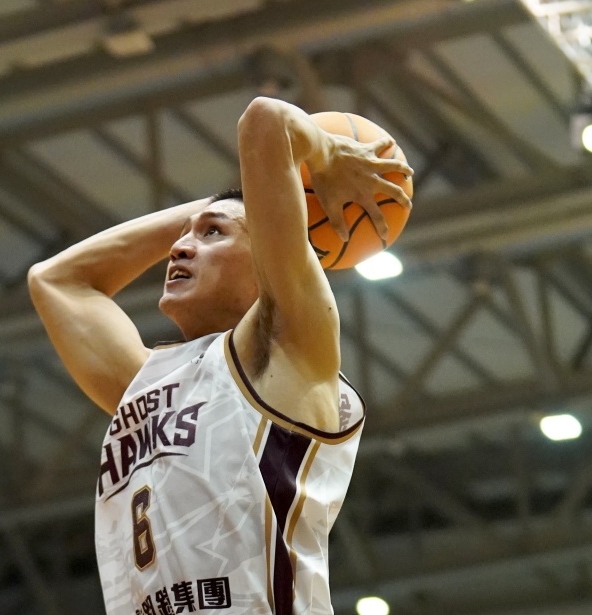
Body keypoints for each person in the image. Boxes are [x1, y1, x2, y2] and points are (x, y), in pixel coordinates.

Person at [28, 97, 412, 615]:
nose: (179, 248)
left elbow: (265, 121)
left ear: (268, 258)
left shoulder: (288, 345)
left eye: (212, 234)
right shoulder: (144, 385)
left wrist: (320, 156)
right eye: (184, 235)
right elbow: (56, 280)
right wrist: (221, 205)